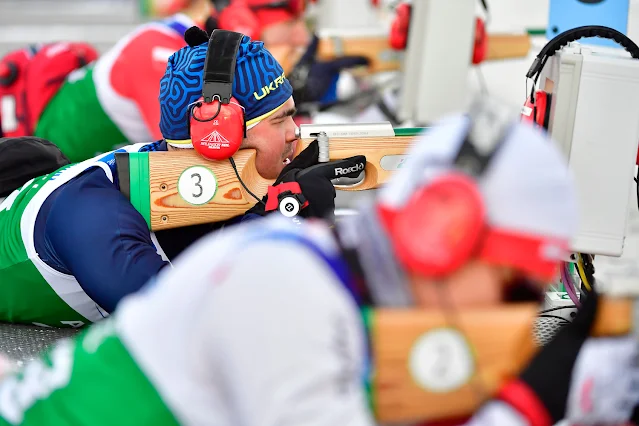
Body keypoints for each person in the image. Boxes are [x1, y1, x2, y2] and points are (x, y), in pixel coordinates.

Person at [1, 97, 637, 426]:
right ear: (442, 232)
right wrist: (526, 404)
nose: (515, 313)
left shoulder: (328, 281)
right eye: (512, 286)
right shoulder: (283, 287)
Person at [0, 29, 362, 329]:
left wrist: (283, 215)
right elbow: (175, 321)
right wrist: (285, 219)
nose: (295, 133)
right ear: (218, 132)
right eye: (280, 119)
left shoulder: (189, 182)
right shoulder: (90, 210)